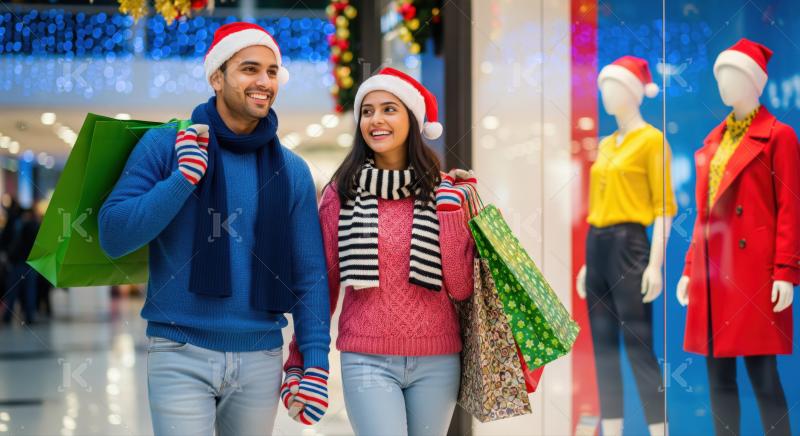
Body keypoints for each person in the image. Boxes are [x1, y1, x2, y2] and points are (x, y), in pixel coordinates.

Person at [98, 22, 330, 435]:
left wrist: (314, 364)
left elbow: (310, 274)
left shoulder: (291, 171)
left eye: (272, 71)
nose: (264, 82)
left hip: (260, 357)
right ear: (217, 77)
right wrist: (182, 179)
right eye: (249, 69)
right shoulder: (167, 146)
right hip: (179, 351)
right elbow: (114, 235)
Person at [281, 68, 476, 435]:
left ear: (412, 119)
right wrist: (300, 361)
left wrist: (450, 214)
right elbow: (321, 284)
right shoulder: (342, 193)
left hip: (438, 359)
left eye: (389, 109)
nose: (376, 120)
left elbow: (462, 287)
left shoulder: (444, 191)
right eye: (367, 111)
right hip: (366, 358)